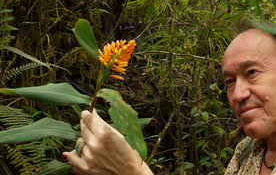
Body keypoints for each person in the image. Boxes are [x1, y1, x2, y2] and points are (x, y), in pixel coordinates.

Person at [63, 24, 276, 175]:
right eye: (229, 81)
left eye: (252, 72)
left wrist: (131, 169)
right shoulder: (246, 150)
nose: (237, 94)